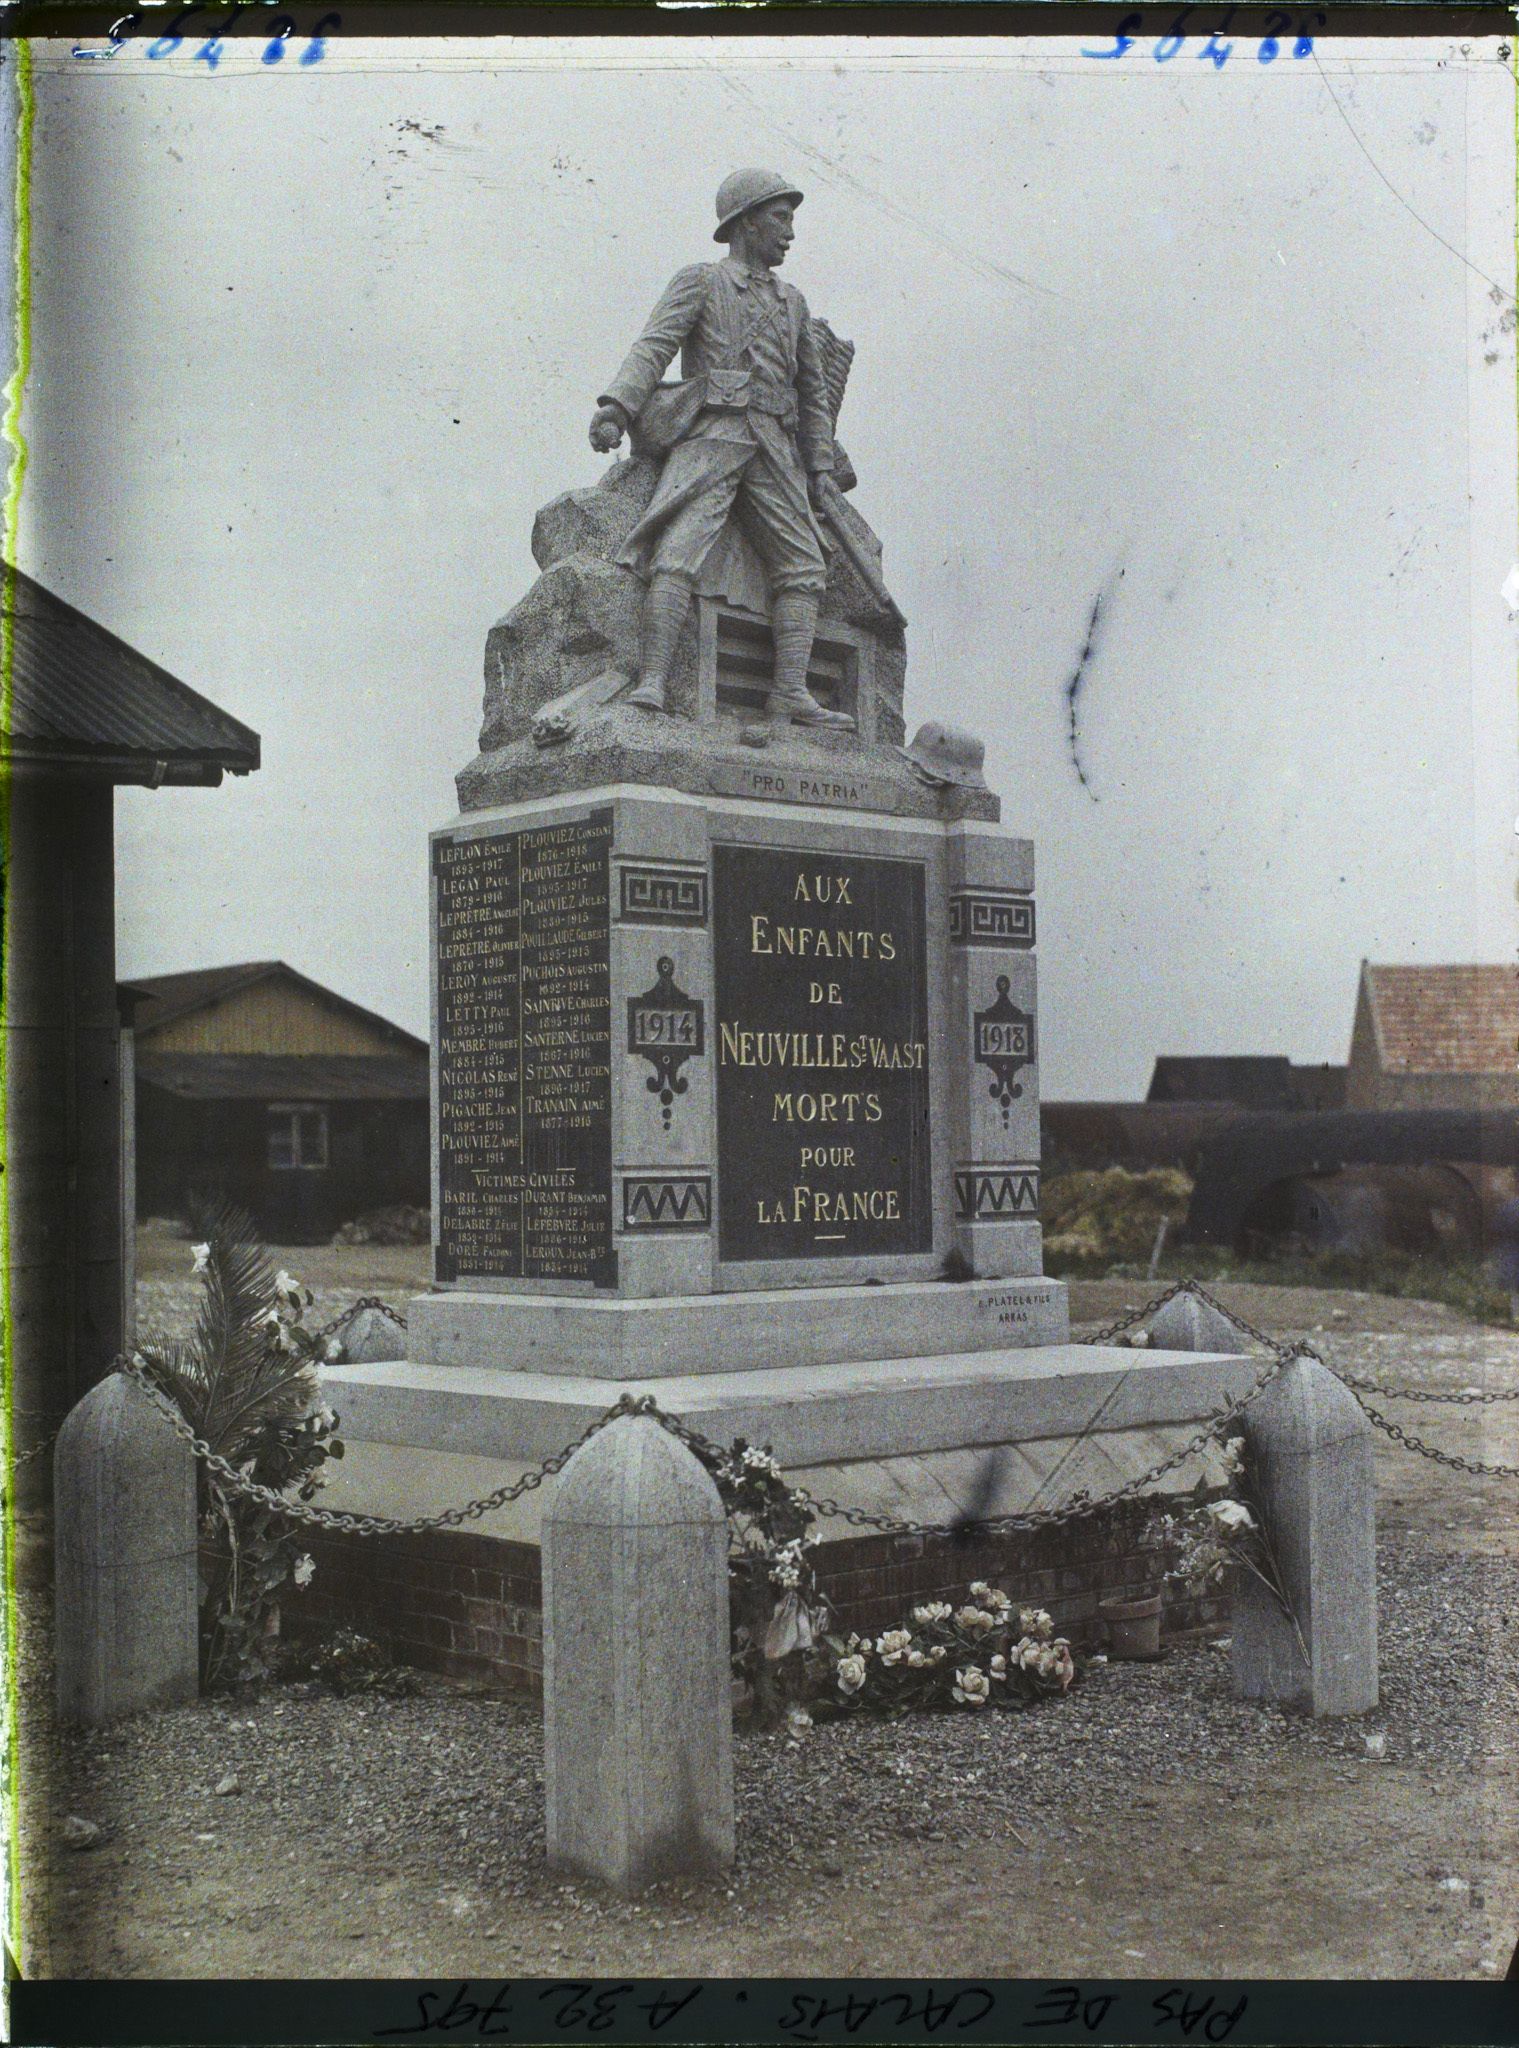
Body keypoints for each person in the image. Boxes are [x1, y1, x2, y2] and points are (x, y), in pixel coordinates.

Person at [588, 169, 853, 735]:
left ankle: (789, 695)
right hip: (714, 437)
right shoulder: (702, 282)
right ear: (745, 221)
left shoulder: (793, 302)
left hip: (776, 447)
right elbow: (654, 346)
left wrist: (822, 467)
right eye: (780, 219)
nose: (789, 234)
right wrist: (617, 408)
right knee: (677, 551)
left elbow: (813, 394)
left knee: (805, 564)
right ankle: (653, 682)